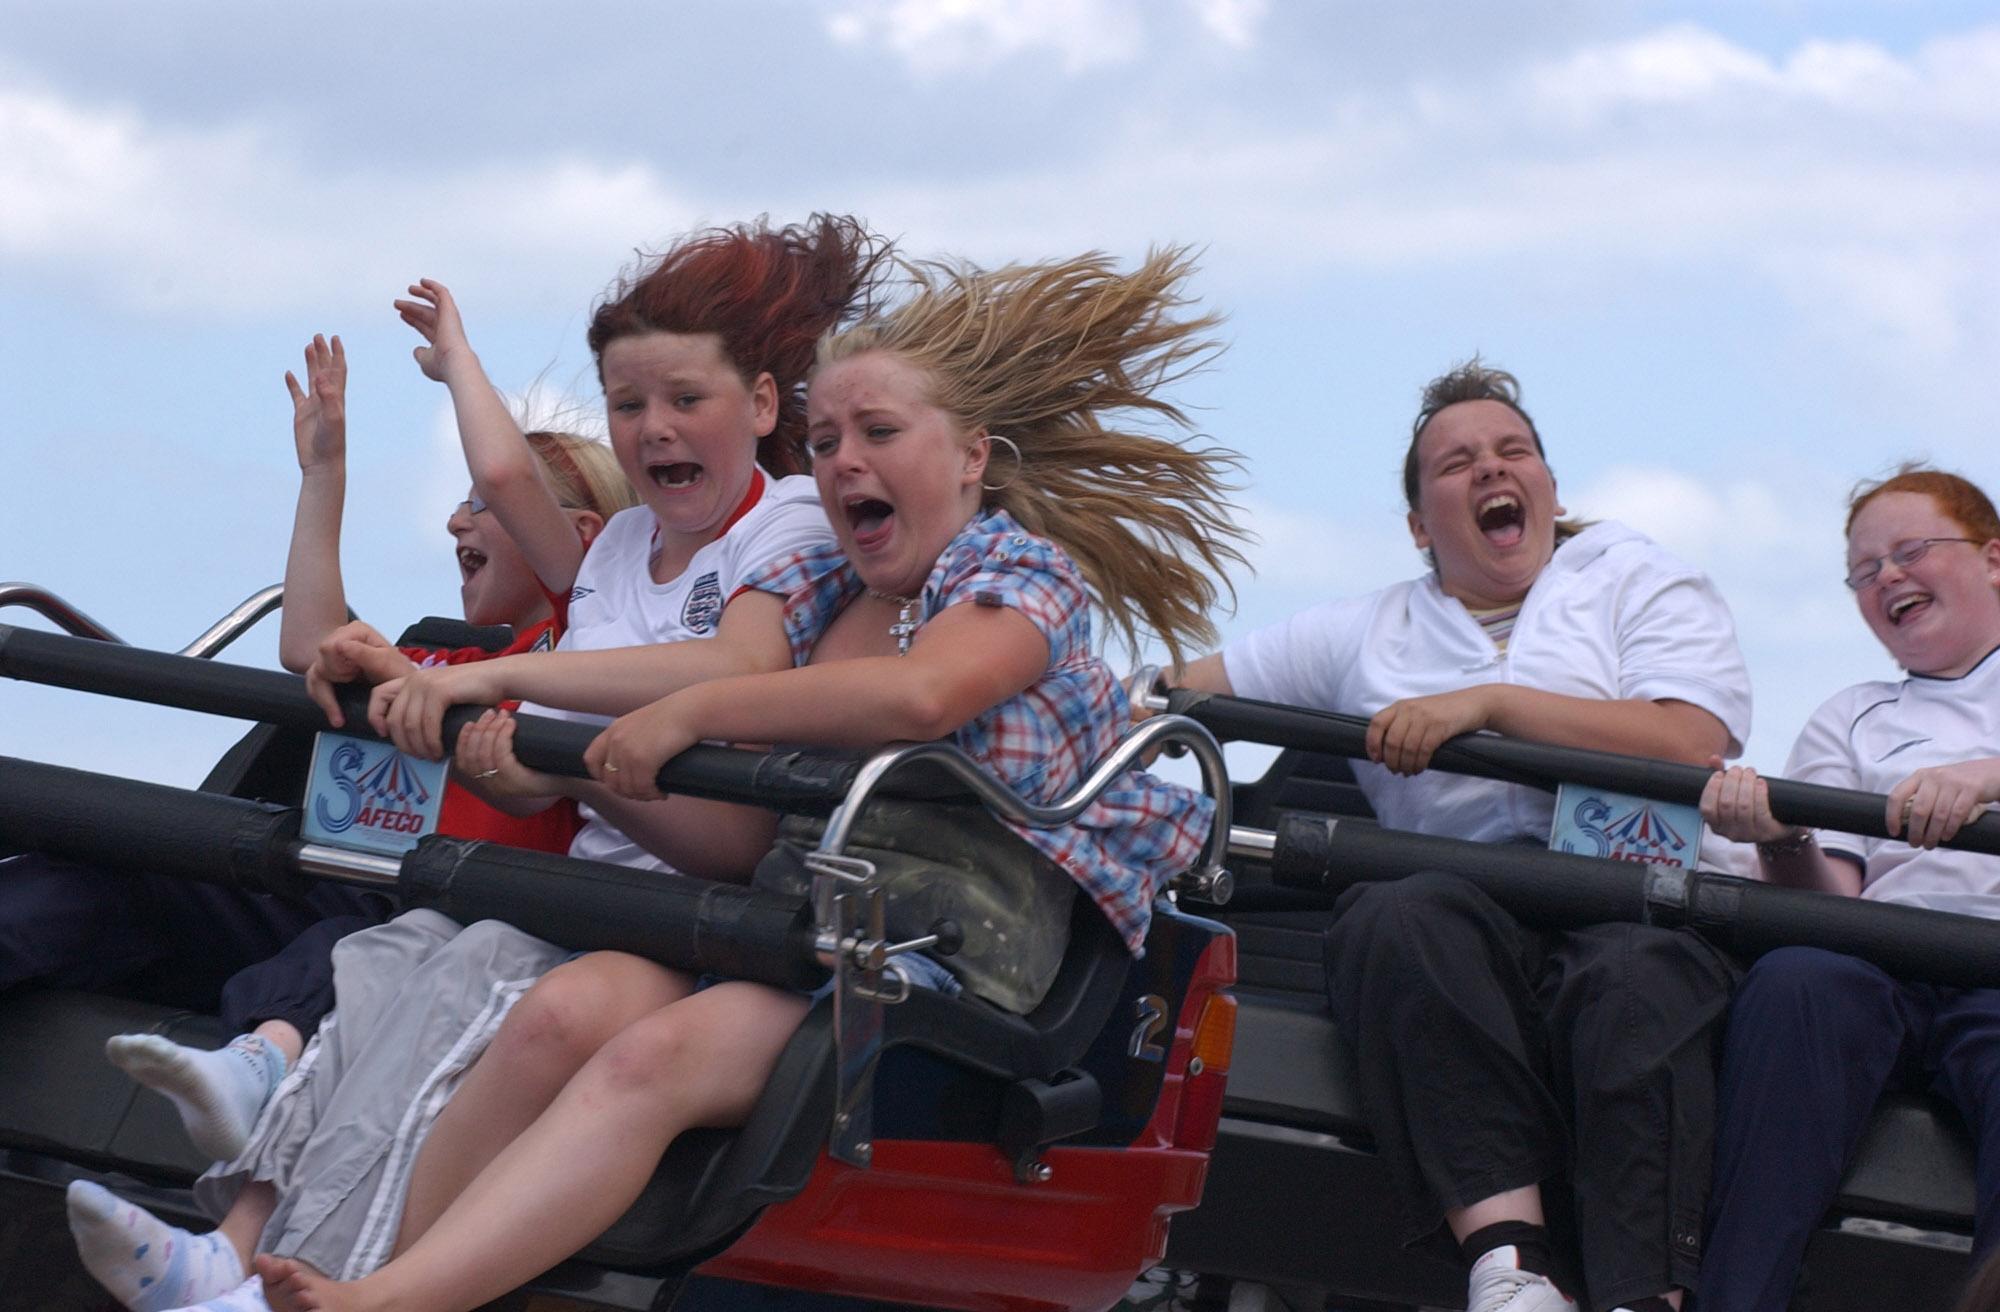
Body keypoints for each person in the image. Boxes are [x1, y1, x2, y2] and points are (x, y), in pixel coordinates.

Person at [243, 246, 1245, 1312]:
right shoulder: (816, 575)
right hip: (774, 928)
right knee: (556, 1011)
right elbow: (726, 754)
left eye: (879, 434)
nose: (843, 460)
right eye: (823, 441)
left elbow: (916, 699)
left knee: (650, 1061)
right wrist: (550, 740)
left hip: (928, 966)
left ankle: (384, 1303)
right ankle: (351, 1271)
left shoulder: (1013, 576)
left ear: (969, 459)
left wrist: (678, 714)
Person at [68, 214, 889, 1312]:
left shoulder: (781, 524)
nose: (653, 429)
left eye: (685, 400)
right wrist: (457, 361)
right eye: (629, 405)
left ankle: (288, 1285)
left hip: (681, 894)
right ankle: (238, 1241)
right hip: (581, 884)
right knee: (391, 964)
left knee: (474, 987)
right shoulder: (612, 552)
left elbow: (730, 659)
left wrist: (498, 685)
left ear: (762, 408)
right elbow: (506, 479)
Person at [65, 330, 634, 1312]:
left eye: (485, 505)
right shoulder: (455, 661)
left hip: (458, 921)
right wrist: (323, 470)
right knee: (109, 849)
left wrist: (456, 360)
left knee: (364, 946)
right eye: (458, 501)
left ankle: (259, 1093)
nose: (461, 515)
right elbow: (309, 643)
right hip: (369, 889)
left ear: (577, 537)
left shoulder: (583, 654)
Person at [1170, 360, 1752, 1312]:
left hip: (1634, 898)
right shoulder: (1362, 631)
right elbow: (1182, 691)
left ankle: (1645, 1299)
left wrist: (1488, 705)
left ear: (1552, 491)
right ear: (1416, 524)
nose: (1490, 470)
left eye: (1512, 451)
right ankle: (1509, 1269)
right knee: (1392, 917)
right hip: (1468, 907)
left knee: (1633, 981)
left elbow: (1687, 738)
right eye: (1456, 463)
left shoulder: (1639, 579)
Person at [1697, 465, 2000, 1312]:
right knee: (1796, 981)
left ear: (1994, 559)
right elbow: (1833, 902)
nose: (1888, 579)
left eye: (1910, 552)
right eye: (1865, 573)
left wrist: (1985, 777)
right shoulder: (1852, 716)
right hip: (1890, 956)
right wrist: (1783, 836)